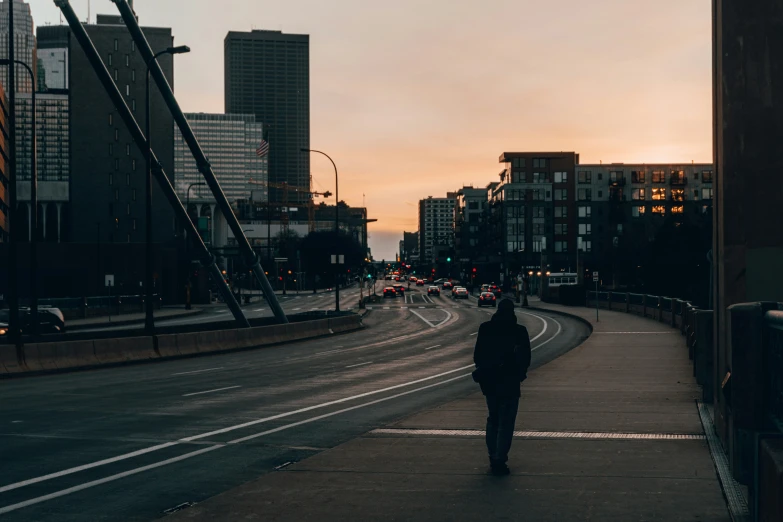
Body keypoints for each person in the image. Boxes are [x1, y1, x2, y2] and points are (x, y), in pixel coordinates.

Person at [472, 298, 532, 475]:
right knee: (506, 422)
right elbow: (525, 358)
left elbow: (478, 355)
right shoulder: (519, 331)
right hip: (510, 383)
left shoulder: (486, 329)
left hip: (490, 382)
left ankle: (492, 455)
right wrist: (519, 375)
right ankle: (500, 458)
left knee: (493, 418)